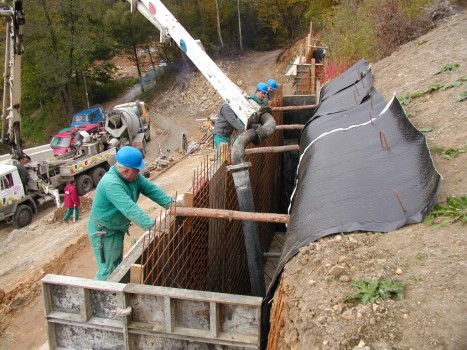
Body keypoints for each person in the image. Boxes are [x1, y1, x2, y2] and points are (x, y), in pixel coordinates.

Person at [87, 146, 173, 280]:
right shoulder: (111, 184)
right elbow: (129, 209)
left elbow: (152, 190)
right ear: (126, 170)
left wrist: (172, 205)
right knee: (108, 273)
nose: (139, 172)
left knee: (117, 268)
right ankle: (100, 298)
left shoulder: (134, 177)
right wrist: (154, 227)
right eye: (136, 169)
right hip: (104, 232)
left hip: (116, 228)